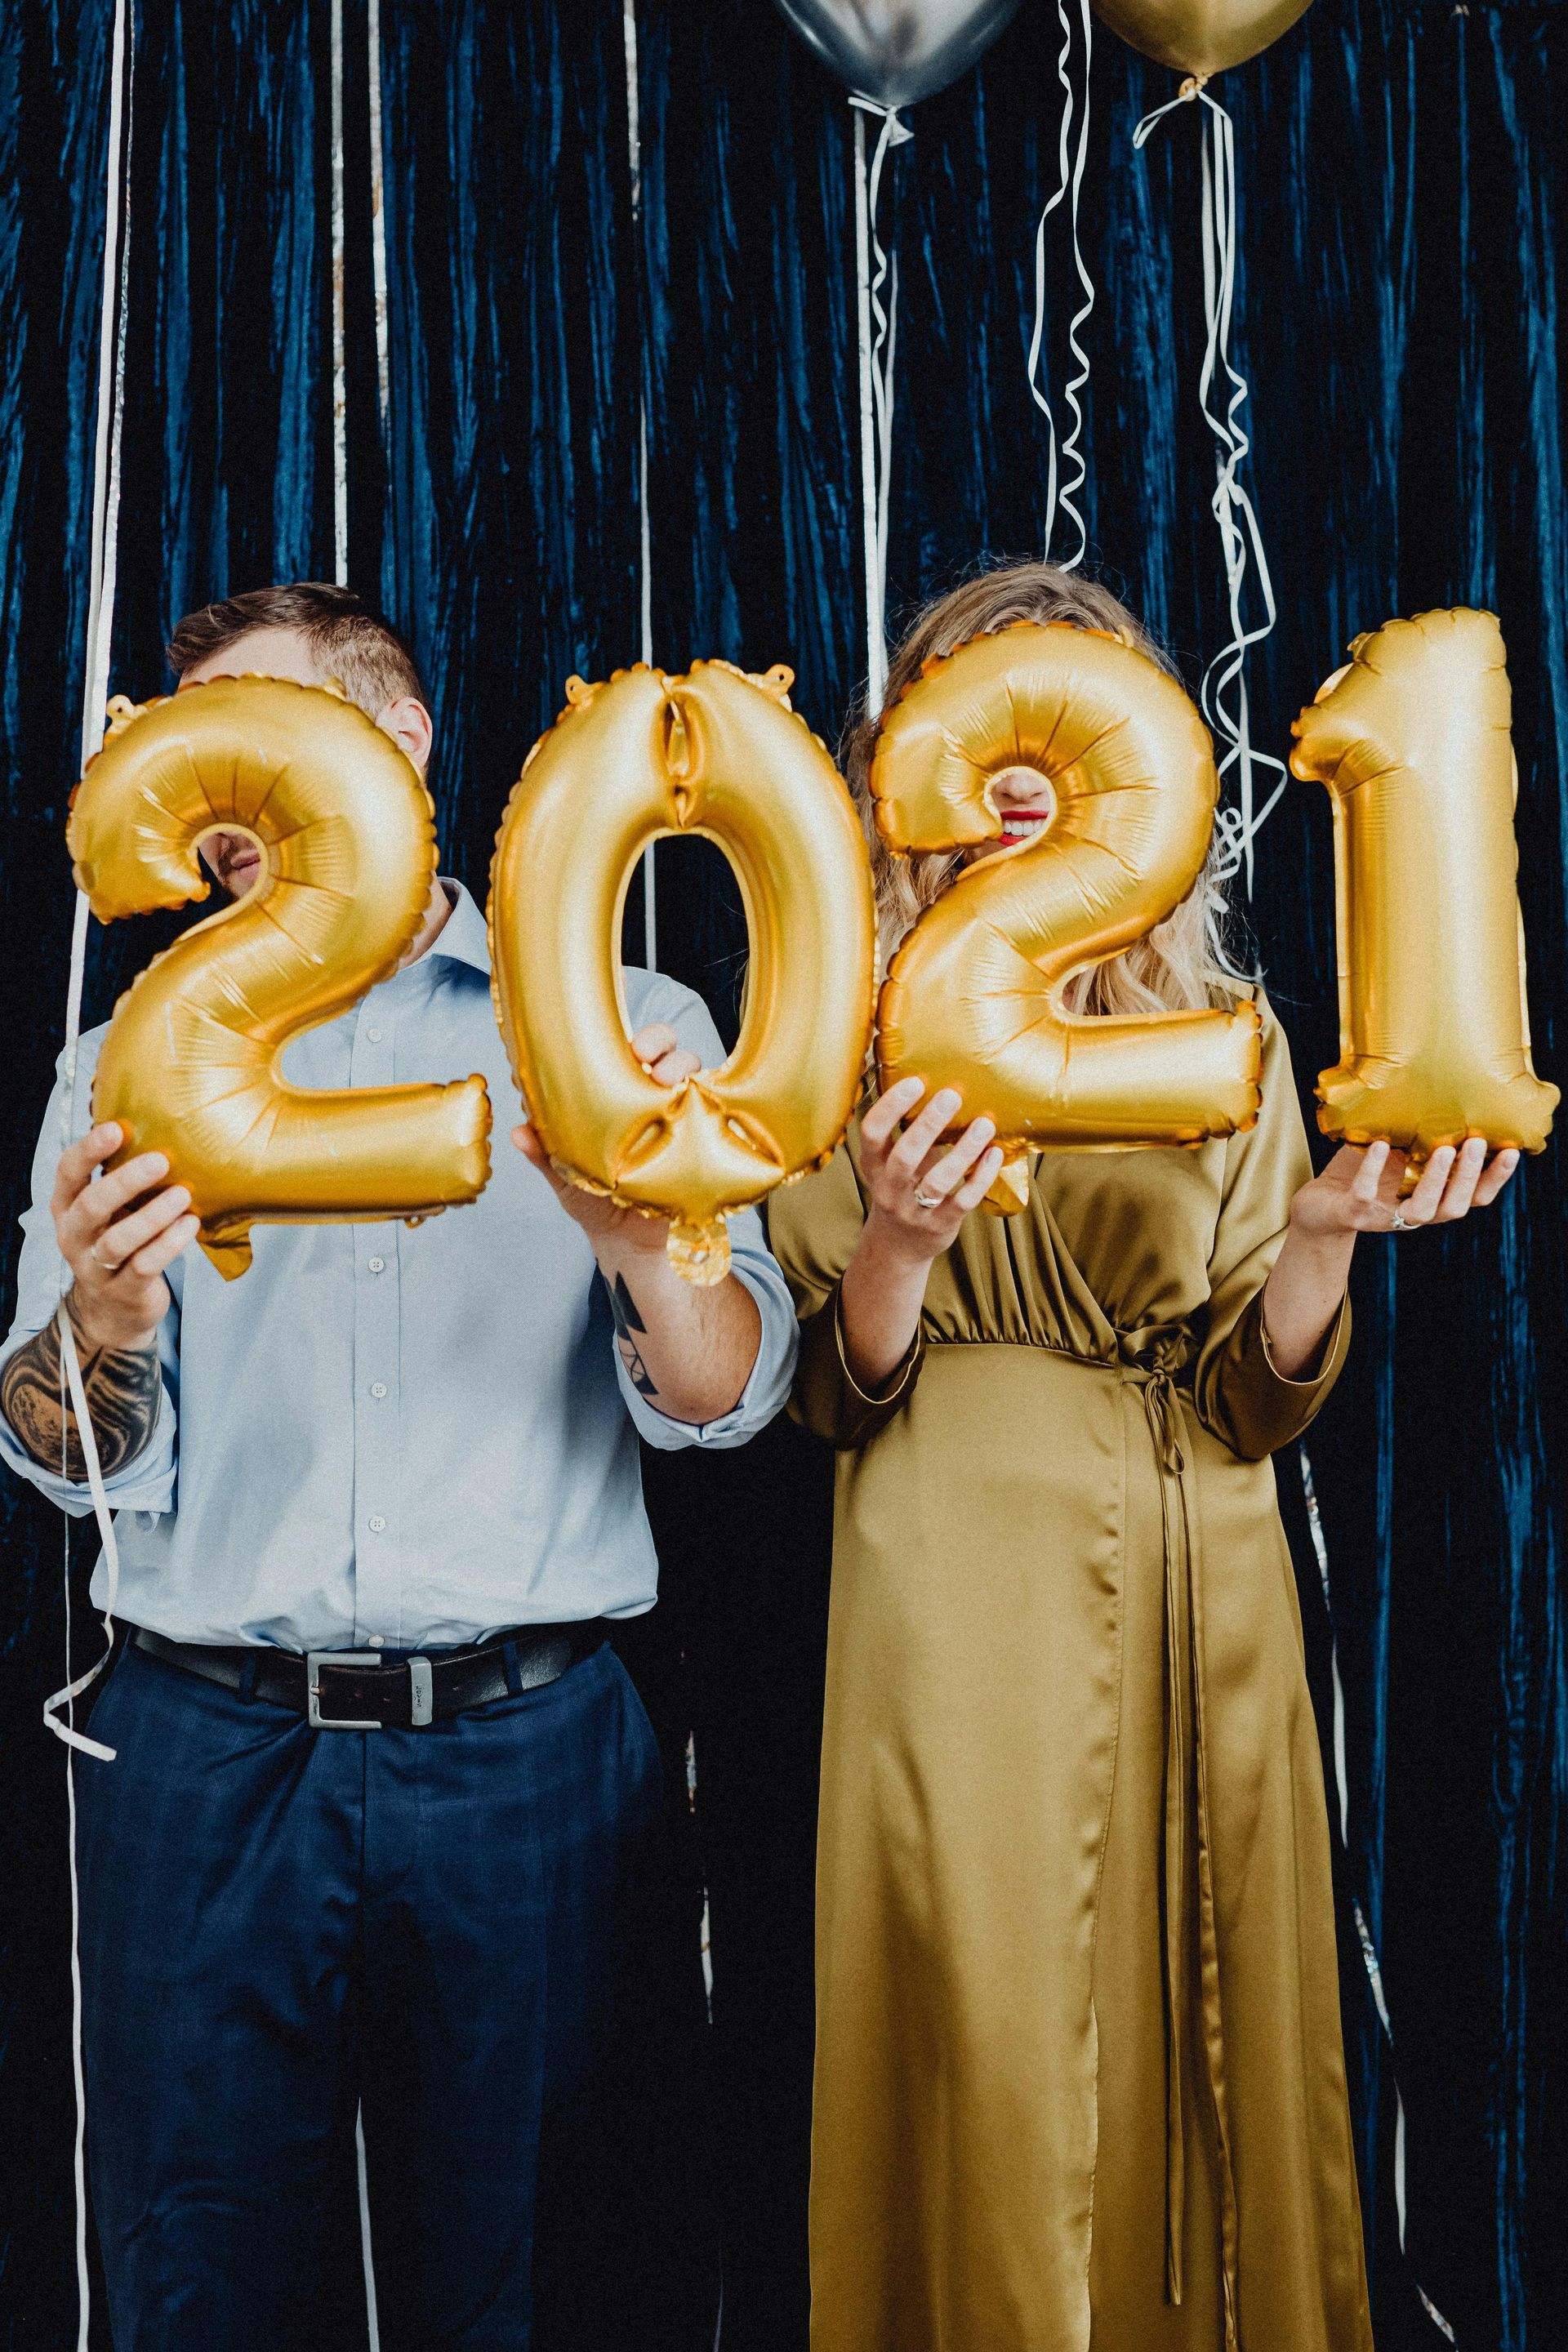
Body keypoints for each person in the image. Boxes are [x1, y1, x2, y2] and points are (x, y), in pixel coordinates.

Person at [0, 581, 797, 2350]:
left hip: (529, 1756)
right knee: (191, 2285)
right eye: (196, 756)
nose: (226, 802)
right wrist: (109, 1322)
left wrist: (645, 1243)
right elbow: (61, 1456)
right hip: (204, 1758)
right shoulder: (116, 1073)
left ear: (401, 744)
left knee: (536, 2284)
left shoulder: (618, 1018)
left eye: (267, 736)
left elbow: (730, 1400)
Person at [765, 561, 1519, 2352]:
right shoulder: (835, 1021)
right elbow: (822, 1394)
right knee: (989, 2024)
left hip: (1211, 1566)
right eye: (990, 698)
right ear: (920, 744)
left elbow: (1254, 1396)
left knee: (1213, 2026)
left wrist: (1327, 1232)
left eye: (1076, 702)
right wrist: (900, 1248)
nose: (1031, 755)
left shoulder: (1233, 1035)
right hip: (948, 1568)